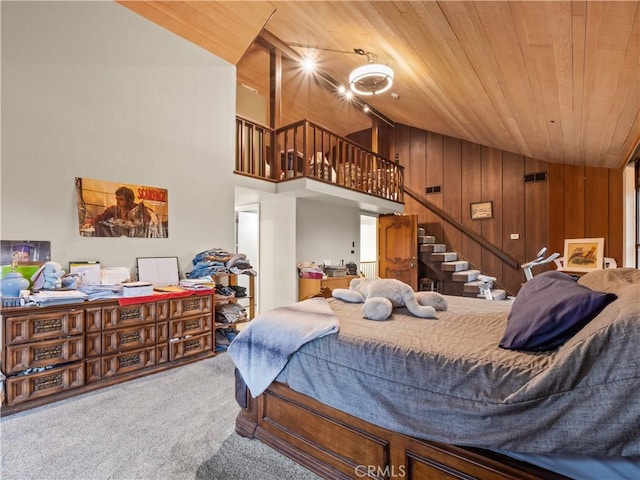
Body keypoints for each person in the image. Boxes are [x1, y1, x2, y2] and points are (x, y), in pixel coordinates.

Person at [83, 186, 152, 237]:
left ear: (130, 200)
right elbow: (99, 218)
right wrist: (89, 223)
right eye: (117, 198)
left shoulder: (140, 210)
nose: (118, 202)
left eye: (121, 199)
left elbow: (148, 225)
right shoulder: (114, 209)